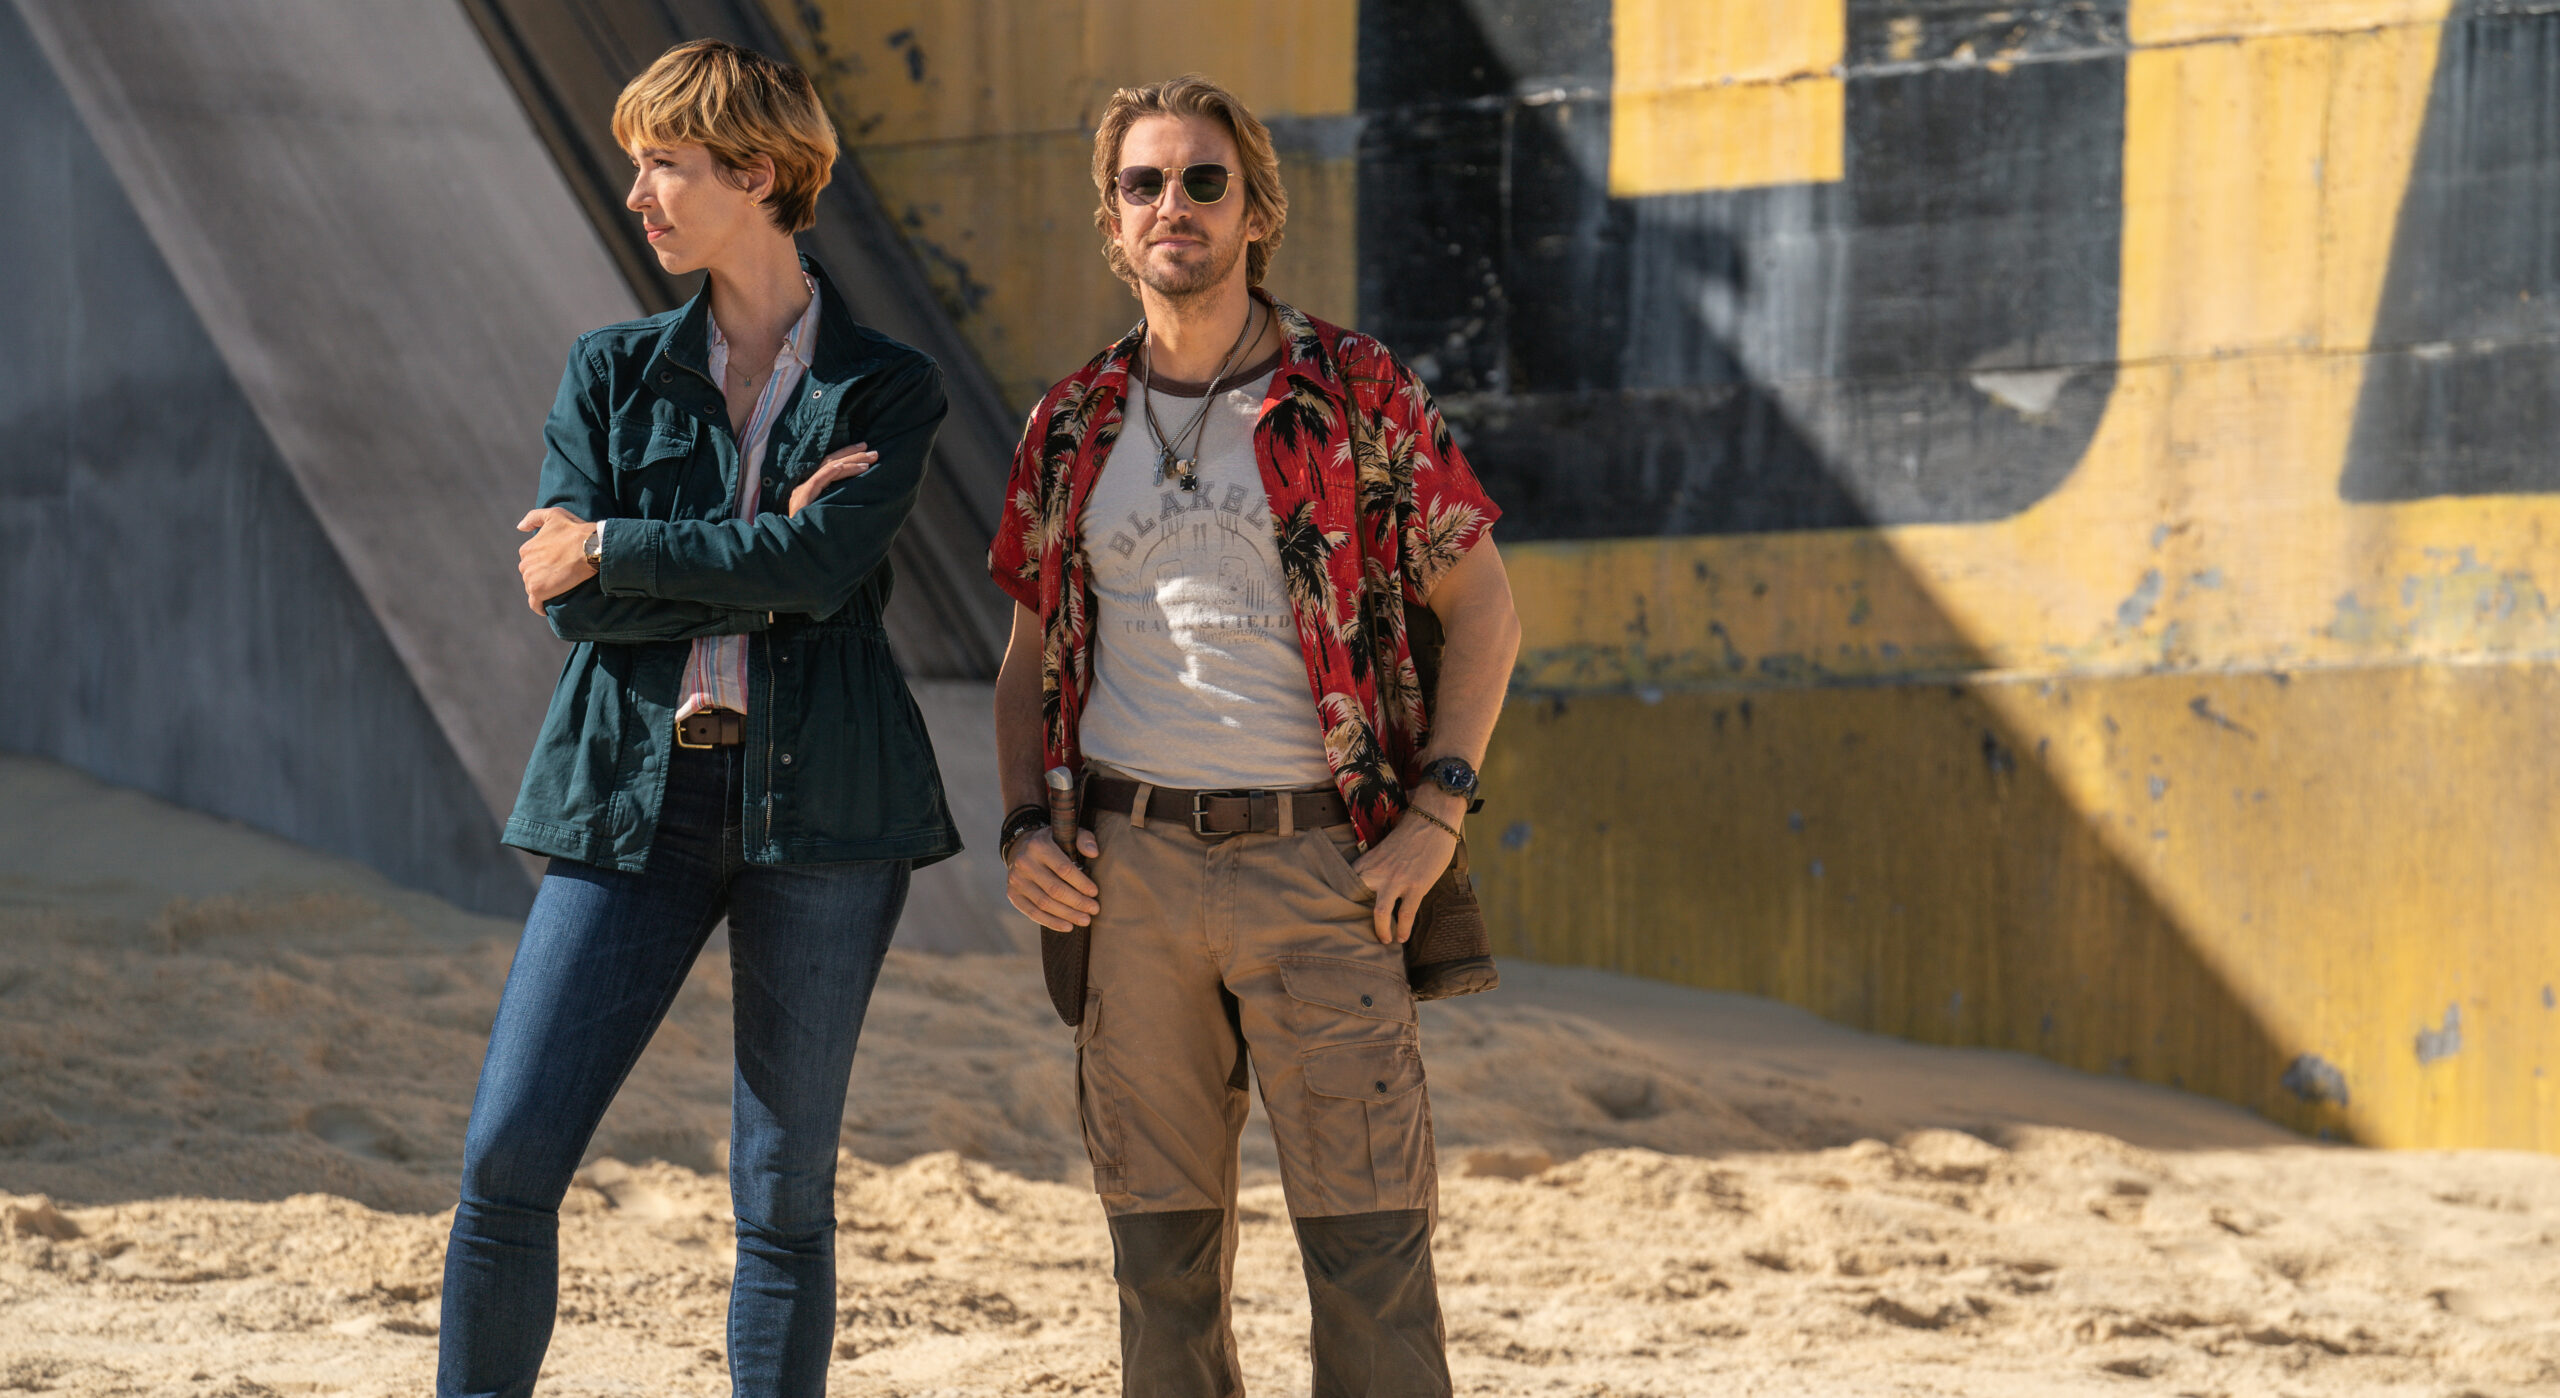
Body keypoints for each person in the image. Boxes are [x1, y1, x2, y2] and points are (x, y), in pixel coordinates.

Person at [988, 74, 1522, 1398]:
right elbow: (1028, 664)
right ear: (1113, 224)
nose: (1174, 204)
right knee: (1159, 1269)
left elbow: (1487, 604)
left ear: (1253, 210)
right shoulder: (1070, 424)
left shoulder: (1352, 390)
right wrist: (1020, 830)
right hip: (1132, 873)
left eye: (1202, 180)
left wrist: (1439, 807)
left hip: (1321, 871)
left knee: (1371, 1258)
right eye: (1144, 183)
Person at [438, 39, 958, 1398]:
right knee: (505, 1162)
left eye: (664, 162)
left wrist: (624, 542)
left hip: (829, 811)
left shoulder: (886, 385)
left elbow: (816, 570)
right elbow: (566, 596)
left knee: (781, 1195)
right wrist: (745, 542)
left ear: (761, 173)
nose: (638, 192)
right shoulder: (609, 371)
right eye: (638, 162)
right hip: (630, 795)